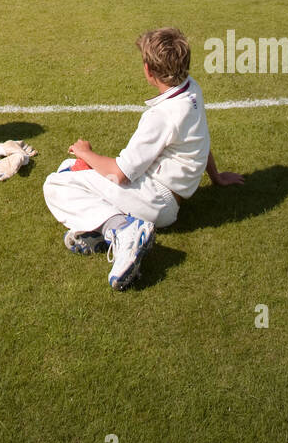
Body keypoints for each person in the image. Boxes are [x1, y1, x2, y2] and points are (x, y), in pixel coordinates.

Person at [42, 28, 244, 291]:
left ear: (148, 71)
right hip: (167, 200)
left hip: (154, 200)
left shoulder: (161, 116)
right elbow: (200, 139)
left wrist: (86, 152)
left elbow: (121, 172)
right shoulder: (193, 90)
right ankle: (101, 233)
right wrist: (215, 176)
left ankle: (125, 231)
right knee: (70, 169)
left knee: (57, 183)